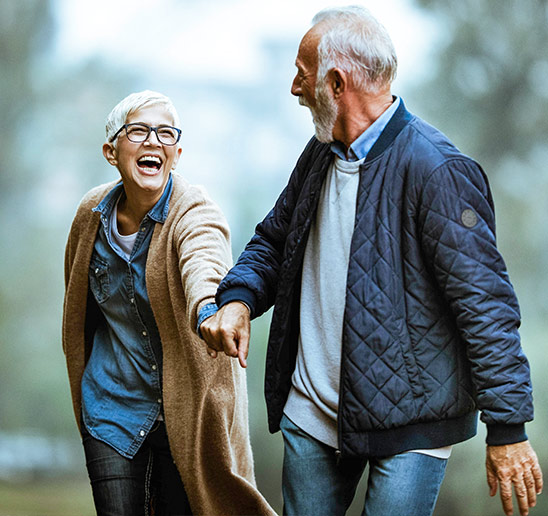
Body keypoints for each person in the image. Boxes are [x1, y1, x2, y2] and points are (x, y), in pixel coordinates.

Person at [201, 6, 543, 516]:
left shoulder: (438, 170)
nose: (294, 89)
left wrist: (508, 429)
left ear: (336, 83)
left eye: (302, 74)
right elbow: (274, 241)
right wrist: (238, 299)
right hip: (312, 415)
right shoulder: (319, 154)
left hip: (411, 424)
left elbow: (485, 306)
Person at [62, 90, 274, 516]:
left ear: (176, 153)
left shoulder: (194, 210)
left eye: (164, 133)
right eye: (138, 131)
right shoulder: (91, 216)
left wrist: (209, 312)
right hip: (111, 406)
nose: (152, 141)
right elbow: (77, 305)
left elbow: (205, 262)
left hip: (186, 413)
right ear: (111, 150)